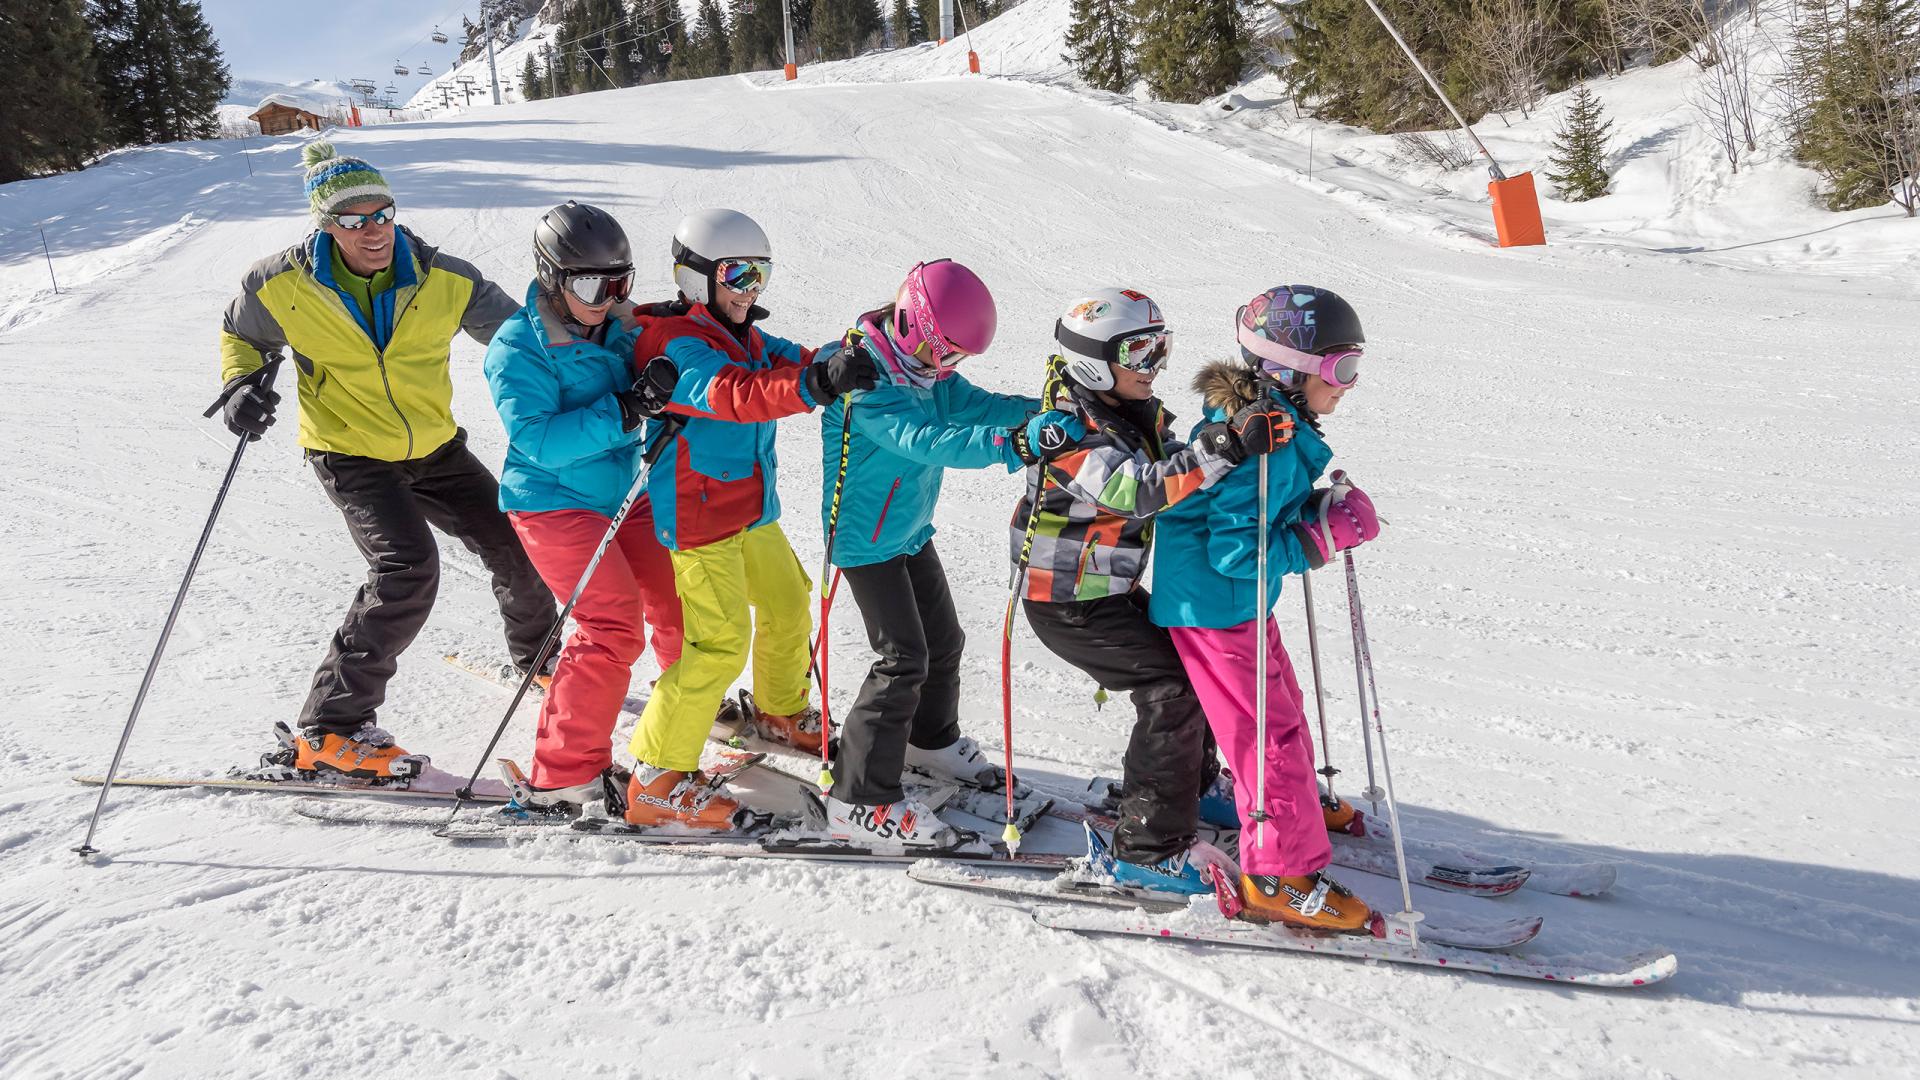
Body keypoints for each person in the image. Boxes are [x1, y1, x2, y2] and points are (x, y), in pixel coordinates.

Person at [217, 141, 557, 779]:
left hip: (435, 446)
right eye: (352, 220)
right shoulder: (280, 283)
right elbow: (242, 333)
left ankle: (542, 660)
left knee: (520, 544)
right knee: (407, 568)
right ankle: (330, 728)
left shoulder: (443, 278)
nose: (372, 230)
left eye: (382, 214)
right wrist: (241, 383)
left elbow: (524, 335)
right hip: (349, 451)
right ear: (325, 226)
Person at [1011, 288, 1279, 891]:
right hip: (1066, 601)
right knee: (1170, 688)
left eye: (1162, 348)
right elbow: (1135, 490)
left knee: (1192, 663)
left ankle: (1195, 785)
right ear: (1091, 362)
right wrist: (1225, 445)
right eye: (1138, 351)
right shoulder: (1067, 431)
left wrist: (1229, 440)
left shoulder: (1134, 411)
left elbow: (1176, 466)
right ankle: (1147, 849)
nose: (1154, 364)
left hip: (1102, 589)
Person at [621, 208, 878, 831]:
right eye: (736, 274)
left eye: (760, 275)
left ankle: (780, 710)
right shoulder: (675, 344)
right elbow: (732, 393)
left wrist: (860, 352)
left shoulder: (746, 334)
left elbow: (799, 359)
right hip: (699, 519)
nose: (750, 290)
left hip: (750, 511)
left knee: (790, 599)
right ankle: (656, 776)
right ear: (695, 276)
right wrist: (816, 385)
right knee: (718, 642)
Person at [1148, 285, 1384, 932]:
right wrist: (1321, 537)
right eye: (1341, 370)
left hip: (1233, 605)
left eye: (1354, 366)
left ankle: (1293, 805)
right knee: (1267, 737)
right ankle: (1277, 875)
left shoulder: (1275, 428)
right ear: (1289, 370)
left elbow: (1259, 523)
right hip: (1217, 606)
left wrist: (1317, 511)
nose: (1350, 384)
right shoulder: (1267, 447)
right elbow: (1236, 553)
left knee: (1282, 717)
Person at [814, 260, 1043, 847]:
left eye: (956, 359)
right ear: (916, 327)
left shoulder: (924, 369)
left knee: (944, 642)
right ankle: (859, 798)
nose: (949, 370)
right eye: (946, 354)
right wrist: (1014, 445)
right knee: (901, 659)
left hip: (908, 527)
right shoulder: (865, 380)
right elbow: (925, 441)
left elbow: (975, 405)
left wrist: (1043, 413)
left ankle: (930, 742)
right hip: (865, 539)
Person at [481, 201, 686, 815]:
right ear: (552, 276)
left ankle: (680, 729)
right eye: (594, 284)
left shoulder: (621, 325)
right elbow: (538, 439)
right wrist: (627, 409)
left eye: (620, 283)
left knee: (688, 604)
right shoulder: (519, 347)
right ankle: (564, 772)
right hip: (552, 500)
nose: (608, 297)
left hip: (626, 493)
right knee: (610, 625)